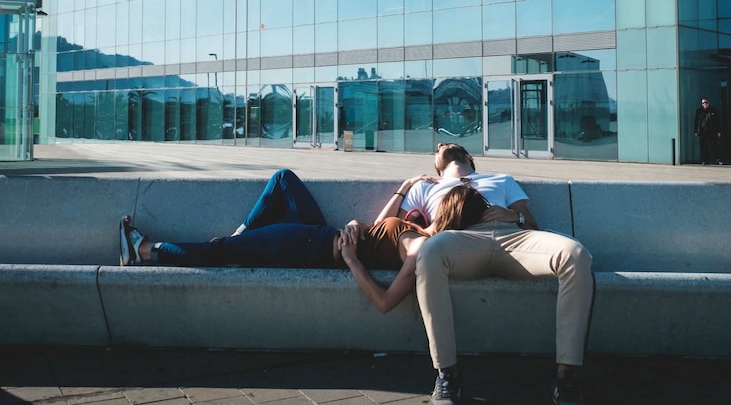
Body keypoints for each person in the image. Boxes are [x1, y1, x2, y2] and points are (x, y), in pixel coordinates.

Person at [119, 168, 488, 315]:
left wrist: (350, 258)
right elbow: (379, 231)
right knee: (284, 179)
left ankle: (142, 251)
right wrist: (362, 223)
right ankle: (244, 235)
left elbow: (384, 301)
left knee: (218, 252)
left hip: (310, 247)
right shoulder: (422, 235)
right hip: (321, 234)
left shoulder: (422, 248)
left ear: (448, 214)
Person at [396, 143, 594, 405]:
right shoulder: (424, 186)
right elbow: (399, 228)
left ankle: (566, 376)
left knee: (576, 255)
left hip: (512, 238)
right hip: (461, 239)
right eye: (438, 147)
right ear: (437, 163)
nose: (442, 145)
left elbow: (532, 225)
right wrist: (406, 188)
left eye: (449, 144)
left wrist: (513, 215)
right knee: (429, 252)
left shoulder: (502, 180)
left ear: (469, 157)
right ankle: (447, 374)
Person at [694, 97, 722, 165]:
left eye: (706, 102)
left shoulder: (713, 110)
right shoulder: (699, 111)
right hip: (703, 131)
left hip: (712, 131)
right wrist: (695, 131)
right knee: (703, 147)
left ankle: (717, 159)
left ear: (708, 103)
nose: (704, 104)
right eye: (703, 103)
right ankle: (705, 160)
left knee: (714, 146)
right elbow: (696, 121)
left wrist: (719, 131)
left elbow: (718, 121)